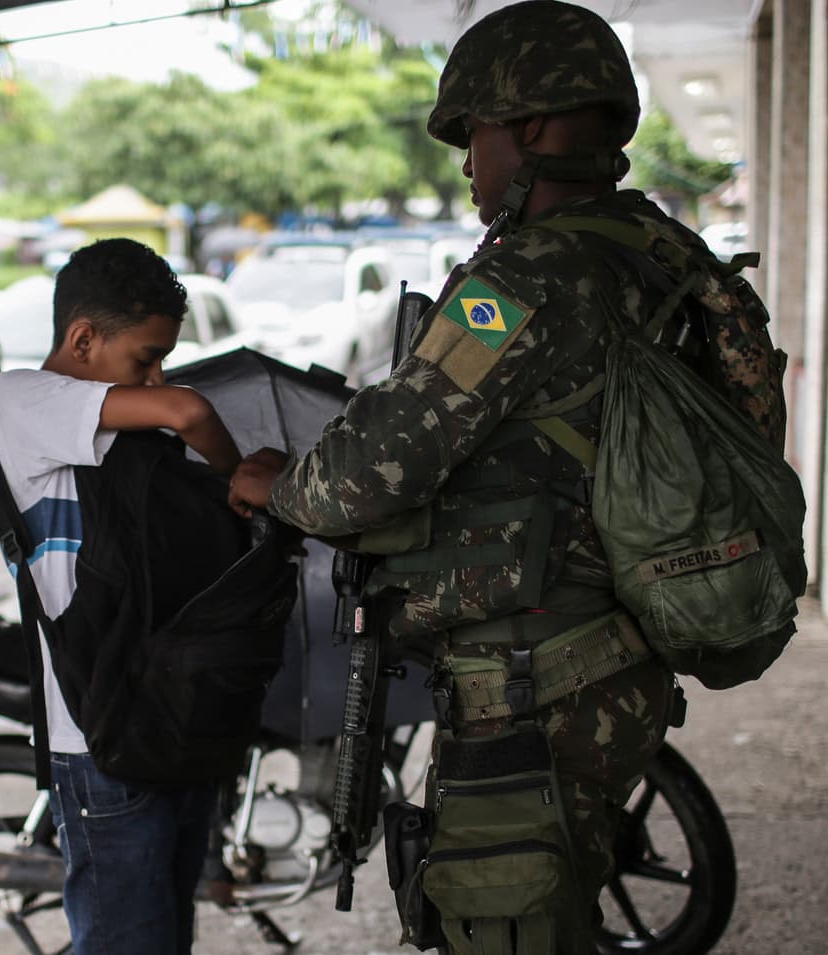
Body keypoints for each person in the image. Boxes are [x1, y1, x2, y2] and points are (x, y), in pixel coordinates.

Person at [230, 2, 783, 951]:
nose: (465, 163)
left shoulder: (523, 279)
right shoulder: (666, 255)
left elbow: (361, 477)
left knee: (502, 919)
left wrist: (276, 485)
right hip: (619, 659)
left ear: (530, 127)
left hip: (534, 678)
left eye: (473, 133)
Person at [0, 238, 240, 954]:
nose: (156, 377)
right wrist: (244, 479)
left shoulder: (113, 431)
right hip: (94, 742)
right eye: (146, 359)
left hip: (163, 717)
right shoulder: (17, 399)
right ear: (82, 339)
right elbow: (189, 410)